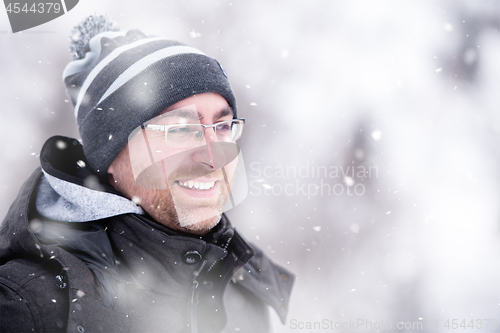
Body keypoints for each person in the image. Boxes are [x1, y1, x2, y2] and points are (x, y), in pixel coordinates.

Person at [0, 15, 294, 333]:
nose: (213, 157)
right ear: (109, 156)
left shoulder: (244, 288)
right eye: (181, 129)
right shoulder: (29, 306)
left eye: (221, 126)